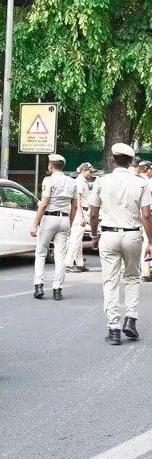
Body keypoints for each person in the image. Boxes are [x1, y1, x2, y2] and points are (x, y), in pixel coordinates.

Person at [89, 143, 152, 345]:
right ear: (131, 162)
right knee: (132, 278)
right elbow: (146, 215)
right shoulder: (141, 183)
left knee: (111, 281)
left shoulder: (101, 181)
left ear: (112, 160)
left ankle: (114, 329)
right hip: (133, 235)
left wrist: (93, 235)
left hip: (108, 235)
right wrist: (151, 242)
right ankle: (131, 319)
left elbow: (93, 213)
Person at [29, 154, 78, 300]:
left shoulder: (48, 180)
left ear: (51, 166)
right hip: (64, 219)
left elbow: (44, 204)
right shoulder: (72, 182)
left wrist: (35, 224)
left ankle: (39, 285)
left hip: (50, 218)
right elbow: (75, 206)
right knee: (60, 256)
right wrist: (69, 222)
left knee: (41, 252)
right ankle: (57, 289)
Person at [65, 162, 95, 273]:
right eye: (90, 171)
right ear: (83, 171)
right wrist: (82, 216)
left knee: (78, 240)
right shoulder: (80, 182)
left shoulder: (81, 182)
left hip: (81, 211)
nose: (91, 174)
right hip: (80, 212)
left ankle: (80, 263)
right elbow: (77, 200)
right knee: (75, 240)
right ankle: (68, 264)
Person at [141, 160, 152, 281]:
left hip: (138, 215)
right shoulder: (147, 182)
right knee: (148, 241)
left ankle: (146, 270)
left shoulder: (137, 180)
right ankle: (146, 271)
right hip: (147, 215)